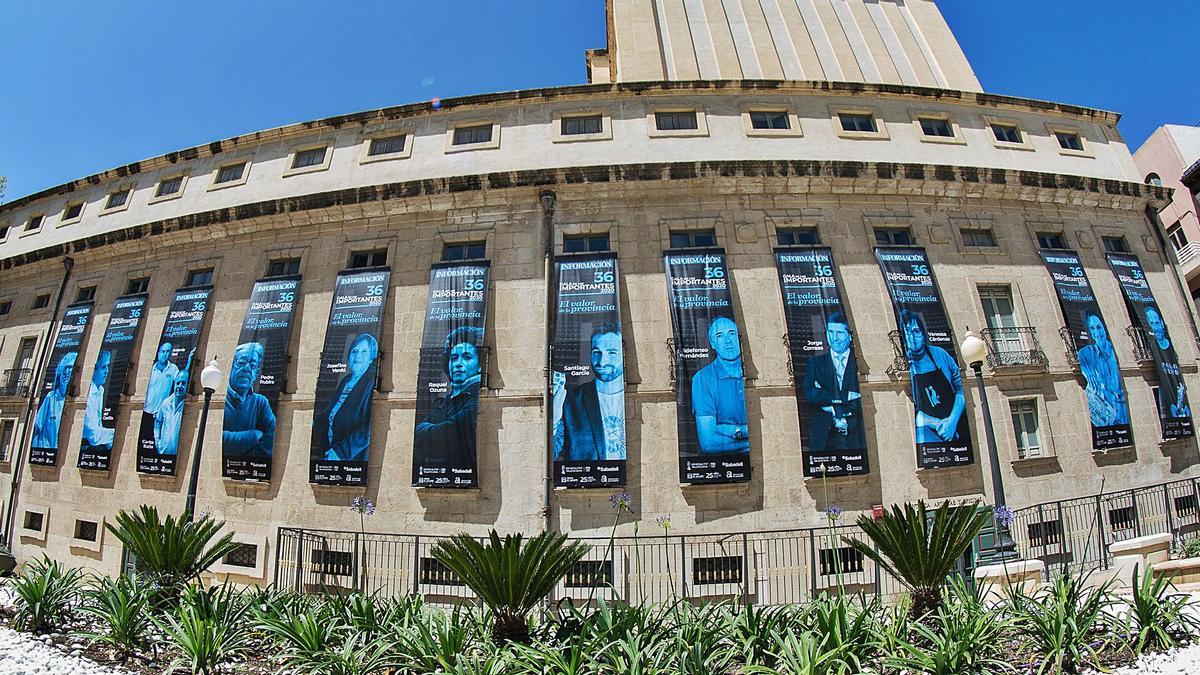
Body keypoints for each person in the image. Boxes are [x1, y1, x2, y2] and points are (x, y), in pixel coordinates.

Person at [552, 323, 626, 461]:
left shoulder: (634, 399)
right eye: (596, 352)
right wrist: (555, 419)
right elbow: (551, 454)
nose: (602, 362)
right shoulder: (571, 401)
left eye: (612, 353)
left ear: (624, 353)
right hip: (584, 481)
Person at [414, 326, 484, 467]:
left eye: (466, 357)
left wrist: (432, 431)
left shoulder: (477, 398)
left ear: (480, 365)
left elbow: (451, 432)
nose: (458, 364)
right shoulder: (444, 401)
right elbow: (418, 433)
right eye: (453, 358)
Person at [900, 310, 966, 445]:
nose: (912, 337)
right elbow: (913, 409)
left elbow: (960, 390)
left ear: (924, 335)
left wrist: (952, 422)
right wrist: (939, 424)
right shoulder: (904, 363)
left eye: (916, 332)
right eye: (908, 331)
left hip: (957, 422)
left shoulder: (940, 354)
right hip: (930, 432)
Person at [802, 313, 864, 453]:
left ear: (849, 335)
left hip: (856, 435)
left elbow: (863, 397)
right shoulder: (815, 363)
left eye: (840, 333)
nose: (834, 338)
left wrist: (827, 402)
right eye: (831, 332)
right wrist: (845, 396)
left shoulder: (859, 362)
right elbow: (810, 394)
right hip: (824, 437)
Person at [314, 333, 378, 462]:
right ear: (349, 355)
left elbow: (371, 425)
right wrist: (315, 423)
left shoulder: (371, 381)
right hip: (331, 448)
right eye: (354, 351)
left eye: (364, 351)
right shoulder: (346, 380)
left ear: (371, 357)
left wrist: (342, 451)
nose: (358, 355)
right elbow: (334, 408)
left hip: (350, 456)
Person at [691, 316, 750, 454]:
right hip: (717, 466)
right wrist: (746, 435)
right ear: (712, 344)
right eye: (719, 335)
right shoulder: (702, 379)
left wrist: (728, 430)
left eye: (731, 333)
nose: (728, 341)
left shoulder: (757, 373)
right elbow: (709, 443)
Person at [1076, 310, 1129, 427]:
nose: (1097, 332)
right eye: (1092, 328)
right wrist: (1086, 371)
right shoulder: (1087, 352)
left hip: (1123, 413)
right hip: (1106, 418)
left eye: (1099, 327)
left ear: (1105, 327)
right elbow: (1080, 356)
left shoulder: (1115, 351)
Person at [223, 342, 276, 458]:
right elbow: (215, 438)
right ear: (231, 367)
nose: (246, 369)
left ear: (256, 373)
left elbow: (273, 435)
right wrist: (253, 435)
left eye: (252, 365)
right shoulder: (221, 398)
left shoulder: (261, 402)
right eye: (241, 362)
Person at [1144, 306, 1190, 418]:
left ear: (1162, 323)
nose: (1156, 328)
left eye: (1157, 323)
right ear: (1148, 326)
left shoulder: (1170, 347)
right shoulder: (1152, 346)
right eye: (1152, 324)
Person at [31, 352, 77, 449]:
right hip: (45, 451)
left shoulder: (69, 400)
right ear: (60, 371)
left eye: (71, 368)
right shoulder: (50, 398)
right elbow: (37, 430)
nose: (67, 372)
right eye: (66, 367)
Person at [81, 350, 115, 450]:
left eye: (108, 366)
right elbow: (93, 435)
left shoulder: (100, 390)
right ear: (94, 370)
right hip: (86, 447)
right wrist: (117, 433)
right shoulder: (90, 394)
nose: (107, 371)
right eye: (103, 367)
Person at [153, 371, 189, 456]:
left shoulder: (187, 404)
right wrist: (157, 440)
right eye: (178, 383)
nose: (180, 386)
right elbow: (158, 422)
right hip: (162, 452)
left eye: (183, 383)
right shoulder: (166, 403)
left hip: (177, 454)